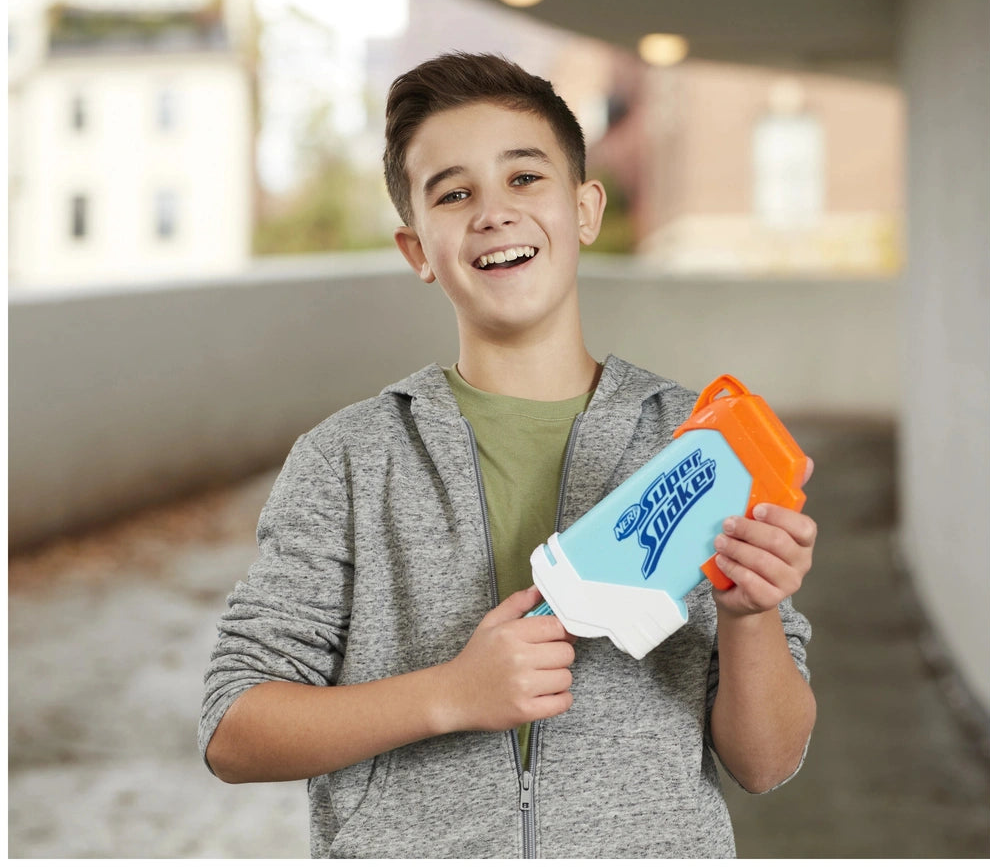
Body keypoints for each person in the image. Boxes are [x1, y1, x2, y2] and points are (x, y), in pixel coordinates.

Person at [199, 52, 817, 858]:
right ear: (417, 248)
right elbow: (234, 728)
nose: (493, 212)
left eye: (524, 178)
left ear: (585, 208)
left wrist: (750, 613)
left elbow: (766, 762)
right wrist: (450, 695)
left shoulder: (698, 444)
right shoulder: (348, 461)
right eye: (453, 194)